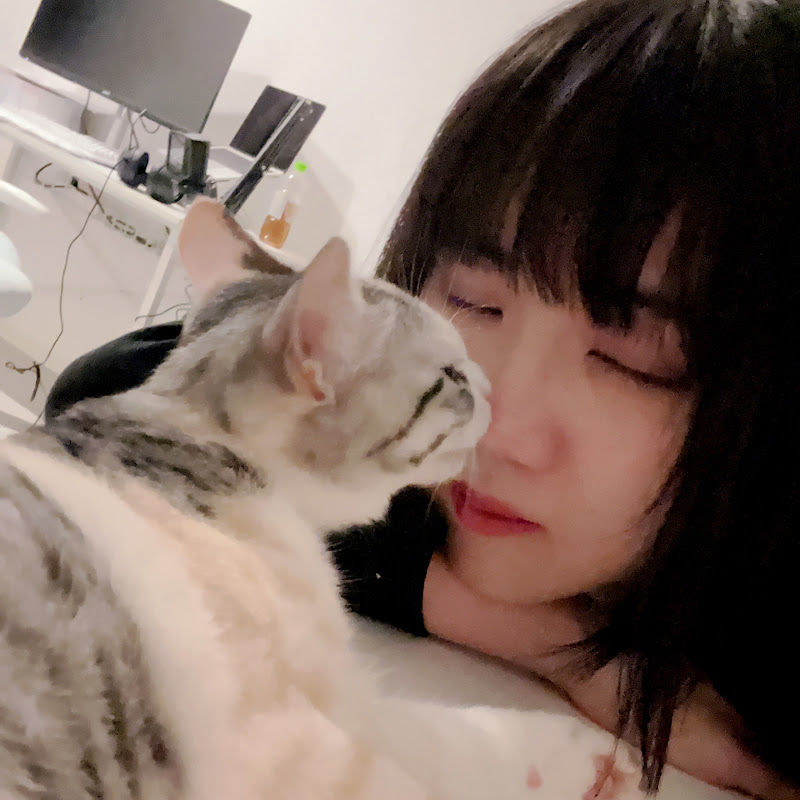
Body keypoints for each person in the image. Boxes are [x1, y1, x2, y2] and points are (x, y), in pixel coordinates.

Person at [45, 0, 800, 796]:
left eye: (633, 359)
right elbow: (110, 395)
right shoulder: (398, 434)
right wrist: (556, 646)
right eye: (474, 300)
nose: (493, 429)